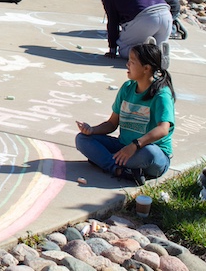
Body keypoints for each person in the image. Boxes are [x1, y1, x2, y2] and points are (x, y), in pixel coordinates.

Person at [75, 42, 175, 185]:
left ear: (146, 68)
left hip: (151, 154)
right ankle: (119, 170)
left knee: (150, 153)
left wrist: (135, 145)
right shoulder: (127, 88)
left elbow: (163, 129)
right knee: (82, 139)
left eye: (132, 62)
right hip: (124, 147)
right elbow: (111, 124)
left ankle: (106, 161)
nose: (127, 64)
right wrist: (91, 130)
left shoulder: (161, 94)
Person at [98, 0, 173, 59]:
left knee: (124, 50)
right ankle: (160, 53)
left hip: (146, 17)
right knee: (156, 51)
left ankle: (145, 51)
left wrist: (112, 49)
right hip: (166, 14)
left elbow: (113, 21)